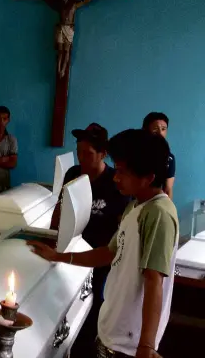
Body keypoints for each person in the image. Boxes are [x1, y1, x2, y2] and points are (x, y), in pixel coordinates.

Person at [29, 129, 178, 358]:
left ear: (148, 177)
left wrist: (146, 346)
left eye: (121, 171)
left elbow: (154, 281)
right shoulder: (137, 205)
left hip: (131, 344)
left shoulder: (158, 214)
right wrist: (58, 256)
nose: (115, 177)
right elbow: (108, 253)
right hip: (112, 333)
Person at [50, 123, 130, 357]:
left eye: (89, 153)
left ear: (103, 153)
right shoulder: (74, 174)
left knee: (92, 308)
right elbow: (60, 207)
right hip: (72, 253)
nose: (82, 158)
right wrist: (52, 235)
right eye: (79, 152)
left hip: (99, 257)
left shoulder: (115, 183)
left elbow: (121, 226)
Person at [142, 112, 175, 199]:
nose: (160, 133)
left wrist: (168, 208)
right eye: (155, 129)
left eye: (163, 129)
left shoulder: (169, 158)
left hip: (156, 202)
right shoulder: (136, 153)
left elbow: (168, 189)